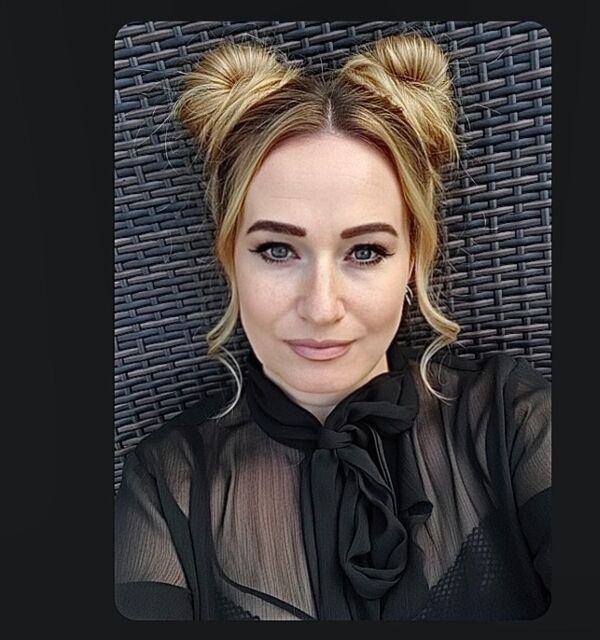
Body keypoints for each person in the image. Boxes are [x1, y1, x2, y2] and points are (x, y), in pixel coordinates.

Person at [114, 33, 551, 621]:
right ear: (231, 260)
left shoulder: (512, 421)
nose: (321, 308)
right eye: (276, 250)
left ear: (413, 261)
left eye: (365, 252)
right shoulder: (168, 485)